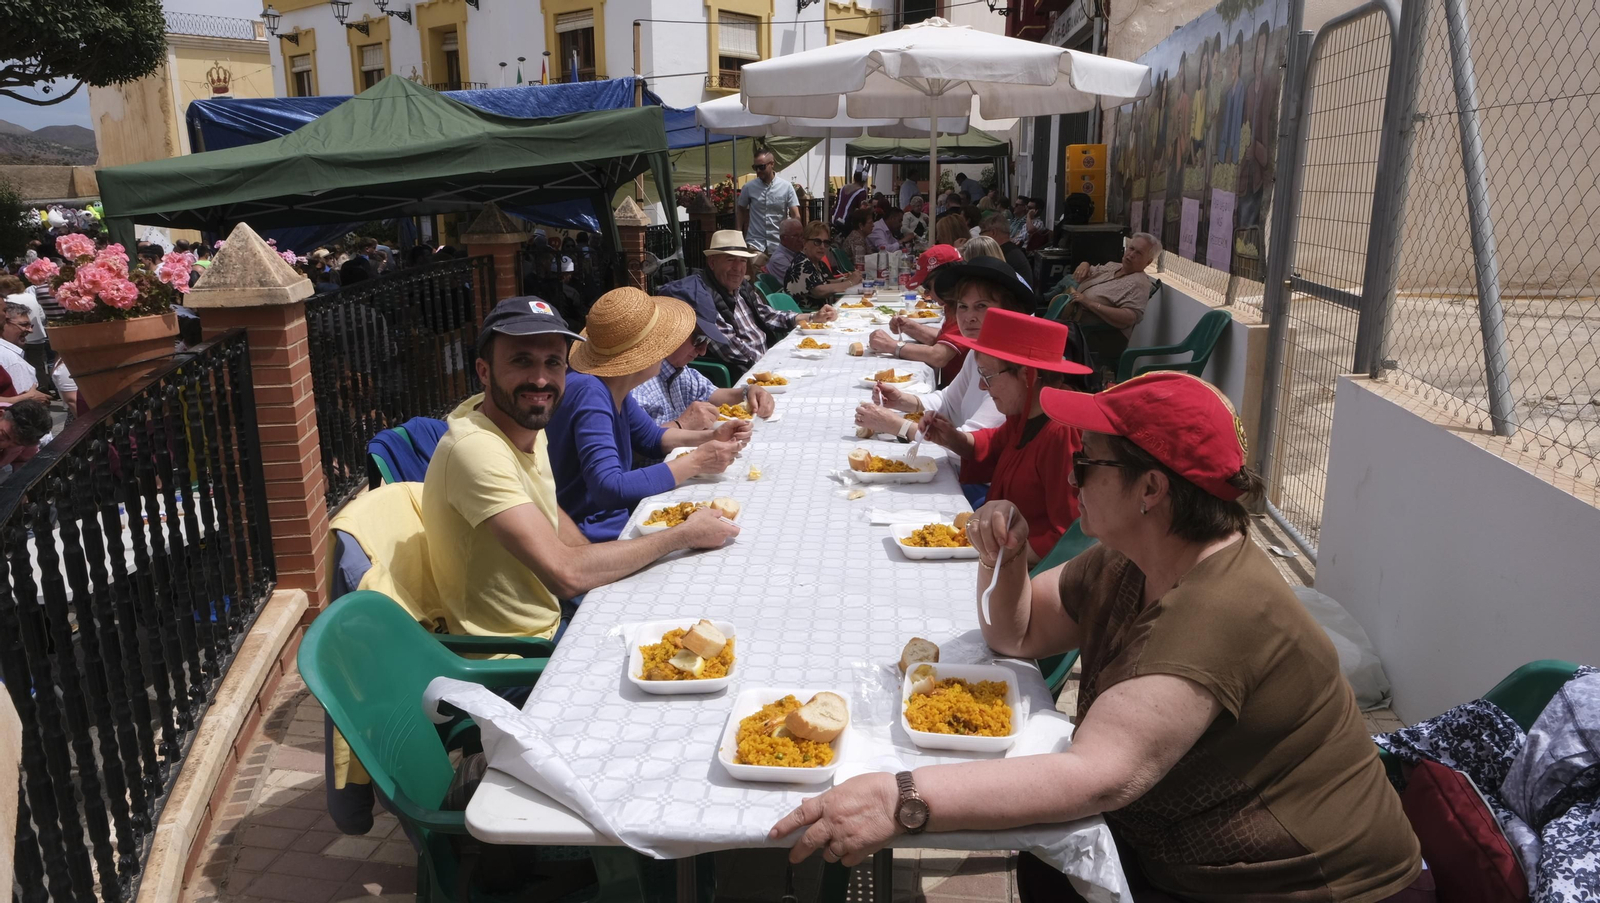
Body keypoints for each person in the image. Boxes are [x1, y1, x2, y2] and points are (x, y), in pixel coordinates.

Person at [770, 372, 1426, 903]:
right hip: (1182, 854)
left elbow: (1095, 777)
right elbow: (1016, 631)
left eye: (1089, 462)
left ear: (1151, 488)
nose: (1073, 473)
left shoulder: (1220, 607)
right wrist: (1006, 555)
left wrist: (902, 795)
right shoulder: (1131, 559)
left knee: (1052, 846)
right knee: (1048, 862)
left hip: (1311, 886)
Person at [421, 296, 741, 640]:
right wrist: (681, 535)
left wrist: (599, 562)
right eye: (521, 361)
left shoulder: (523, 425)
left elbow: (553, 517)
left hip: (562, 610)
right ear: (484, 371)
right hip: (523, 653)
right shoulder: (477, 447)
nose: (541, 380)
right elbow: (566, 573)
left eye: (553, 363)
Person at [545, 288, 751, 542]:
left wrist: (712, 435)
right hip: (594, 536)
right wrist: (696, 462)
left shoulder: (611, 385)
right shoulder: (590, 392)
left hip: (615, 523)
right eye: (663, 340)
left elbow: (652, 439)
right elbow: (609, 487)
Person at [853, 253, 1017, 445]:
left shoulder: (1012, 367)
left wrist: (898, 426)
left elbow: (970, 445)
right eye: (963, 306)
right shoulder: (978, 351)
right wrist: (902, 400)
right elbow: (948, 401)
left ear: (1008, 309)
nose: (969, 317)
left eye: (981, 306)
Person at [658, 230, 837, 371]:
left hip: (768, 358)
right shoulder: (704, 297)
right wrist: (775, 363)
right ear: (712, 263)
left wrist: (811, 317)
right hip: (749, 370)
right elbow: (729, 347)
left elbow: (766, 314)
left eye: (742, 261)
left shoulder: (740, 288)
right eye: (730, 260)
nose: (738, 268)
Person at [631, 297, 777, 431]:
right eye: (698, 339)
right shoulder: (635, 383)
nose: (702, 351)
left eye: (707, 341)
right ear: (671, 333)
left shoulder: (679, 370)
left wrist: (749, 392)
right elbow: (630, 449)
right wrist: (683, 425)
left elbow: (711, 394)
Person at [1059, 232, 1161, 369]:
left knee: (1054, 336)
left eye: (1139, 253)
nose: (1131, 255)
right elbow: (1088, 272)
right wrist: (1085, 264)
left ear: (1148, 262)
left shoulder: (1139, 284)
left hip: (1102, 335)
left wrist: (1089, 303)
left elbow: (1130, 317)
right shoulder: (1114, 266)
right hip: (1076, 326)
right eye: (1131, 248)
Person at [736, 149, 802, 255]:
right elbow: (740, 208)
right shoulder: (749, 187)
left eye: (761, 167)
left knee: (779, 272)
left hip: (780, 245)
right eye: (755, 167)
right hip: (756, 244)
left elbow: (796, 216)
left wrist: (794, 238)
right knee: (759, 272)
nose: (758, 171)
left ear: (772, 164)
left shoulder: (786, 187)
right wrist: (738, 233)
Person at [785, 221, 862, 304]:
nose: (822, 247)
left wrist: (847, 279)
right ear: (804, 242)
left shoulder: (818, 263)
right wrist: (851, 282)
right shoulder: (802, 263)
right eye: (817, 242)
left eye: (826, 243)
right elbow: (819, 290)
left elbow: (825, 282)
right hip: (807, 314)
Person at [2, 276, 50, 392]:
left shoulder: (7, 300)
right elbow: (42, 316)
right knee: (38, 366)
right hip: (37, 338)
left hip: (21, 340)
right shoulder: (30, 296)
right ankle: (43, 389)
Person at [0, 301, 48, 406]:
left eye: (30, 325)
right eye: (24, 325)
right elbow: (26, 406)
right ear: (4, 323)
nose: (30, 330)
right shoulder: (13, 361)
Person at [978, 212, 1035, 296]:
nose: (980, 237)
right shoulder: (1012, 251)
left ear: (993, 232)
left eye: (982, 233)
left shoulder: (1002, 254)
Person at [0, 399, 51, 479]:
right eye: (5, 436)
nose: (6, 444)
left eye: (16, 444)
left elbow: (24, 461)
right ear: (0, 415)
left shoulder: (25, 438)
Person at [764, 218, 805, 282]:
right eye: (795, 236)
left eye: (801, 235)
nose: (800, 239)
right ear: (783, 239)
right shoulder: (778, 259)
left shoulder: (797, 253)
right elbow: (801, 281)